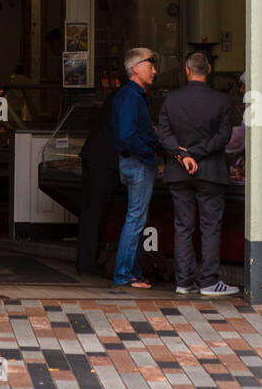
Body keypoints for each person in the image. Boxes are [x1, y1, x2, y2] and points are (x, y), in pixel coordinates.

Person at [157, 50, 239, 297]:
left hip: (179, 173)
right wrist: (198, 153)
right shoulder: (222, 101)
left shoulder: (171, 100)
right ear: (209, 70)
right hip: (211, 172)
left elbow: (164, 134)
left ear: (186, 70)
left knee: (183, 226)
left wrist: (185, 156)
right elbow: (224, 137)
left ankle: (183, 281)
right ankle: (209, 282)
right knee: (210, 227)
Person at [111, 47, 160, 288]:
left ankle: (133, 271)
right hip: (138, 164)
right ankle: (124, 274)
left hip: (132, 162)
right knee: (135, 219)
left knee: (136, 218)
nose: (154, 70)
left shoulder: (128, 95)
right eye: (150, 65)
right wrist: (150, 152)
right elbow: (127, 135)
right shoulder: (132, 97)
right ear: (135, 68)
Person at [75, 92, 119, 276]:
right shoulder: (128, 96)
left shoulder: (117, 96)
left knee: (92, 213)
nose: (154, 72)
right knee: (95, 213)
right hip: (103, 161)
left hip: (96, 158)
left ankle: (88, 260)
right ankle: (87, 262)